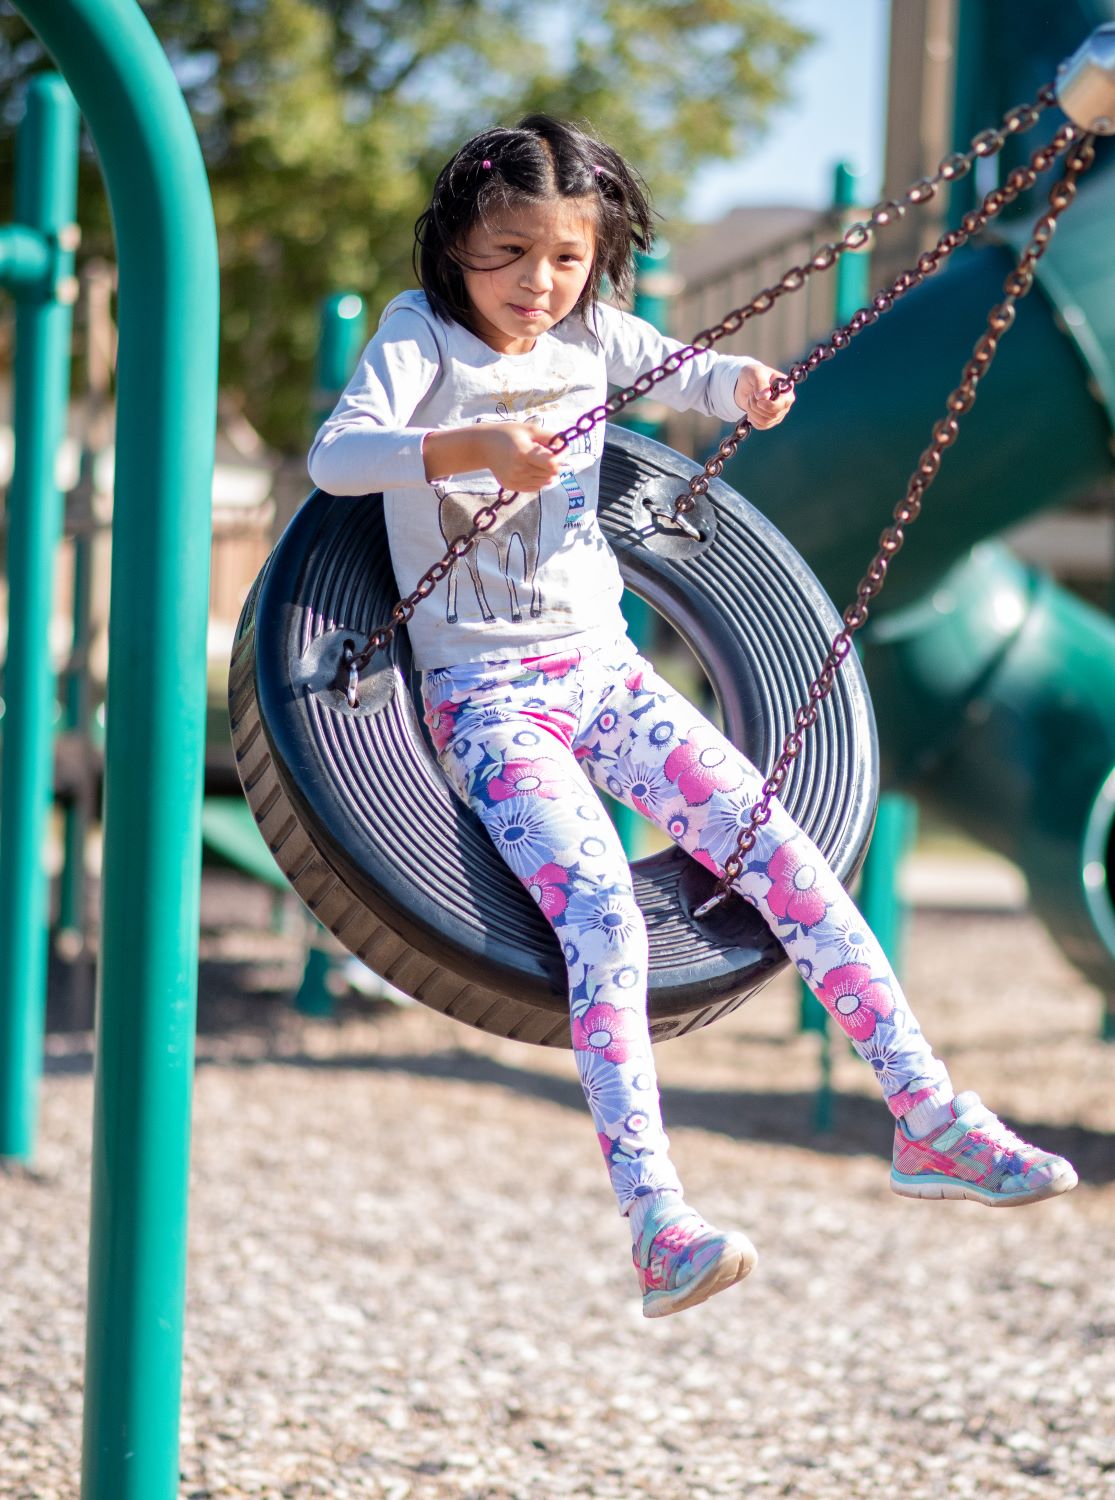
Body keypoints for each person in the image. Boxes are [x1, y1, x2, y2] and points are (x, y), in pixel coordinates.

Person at [308, 115, 1078, 1319]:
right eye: (509, 255)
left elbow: (680, 368)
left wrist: (747, 389)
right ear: (456, 243)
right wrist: (465, 446)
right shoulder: (423, 340)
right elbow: (338, 458)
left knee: (789, 859)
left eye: (564, 259)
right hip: (484, 699)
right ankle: (656, 1220)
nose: (536, 284)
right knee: (603, 913)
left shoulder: (588, 334)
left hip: (607, 676)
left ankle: (928, 1116)